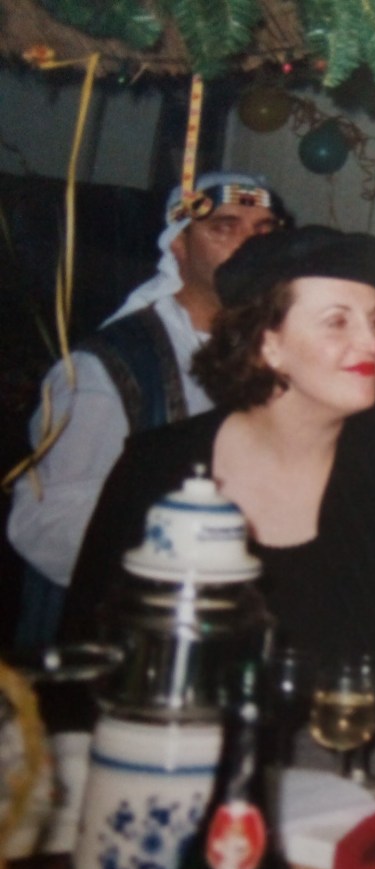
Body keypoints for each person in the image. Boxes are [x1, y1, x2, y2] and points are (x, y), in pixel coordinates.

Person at [7, 172, 285, 645]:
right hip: (118, 641)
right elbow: (48, 524)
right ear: (178, 244)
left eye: (263, 230)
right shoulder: (109, 367)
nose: (248, 246)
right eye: (224, 227)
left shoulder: (275, 356)